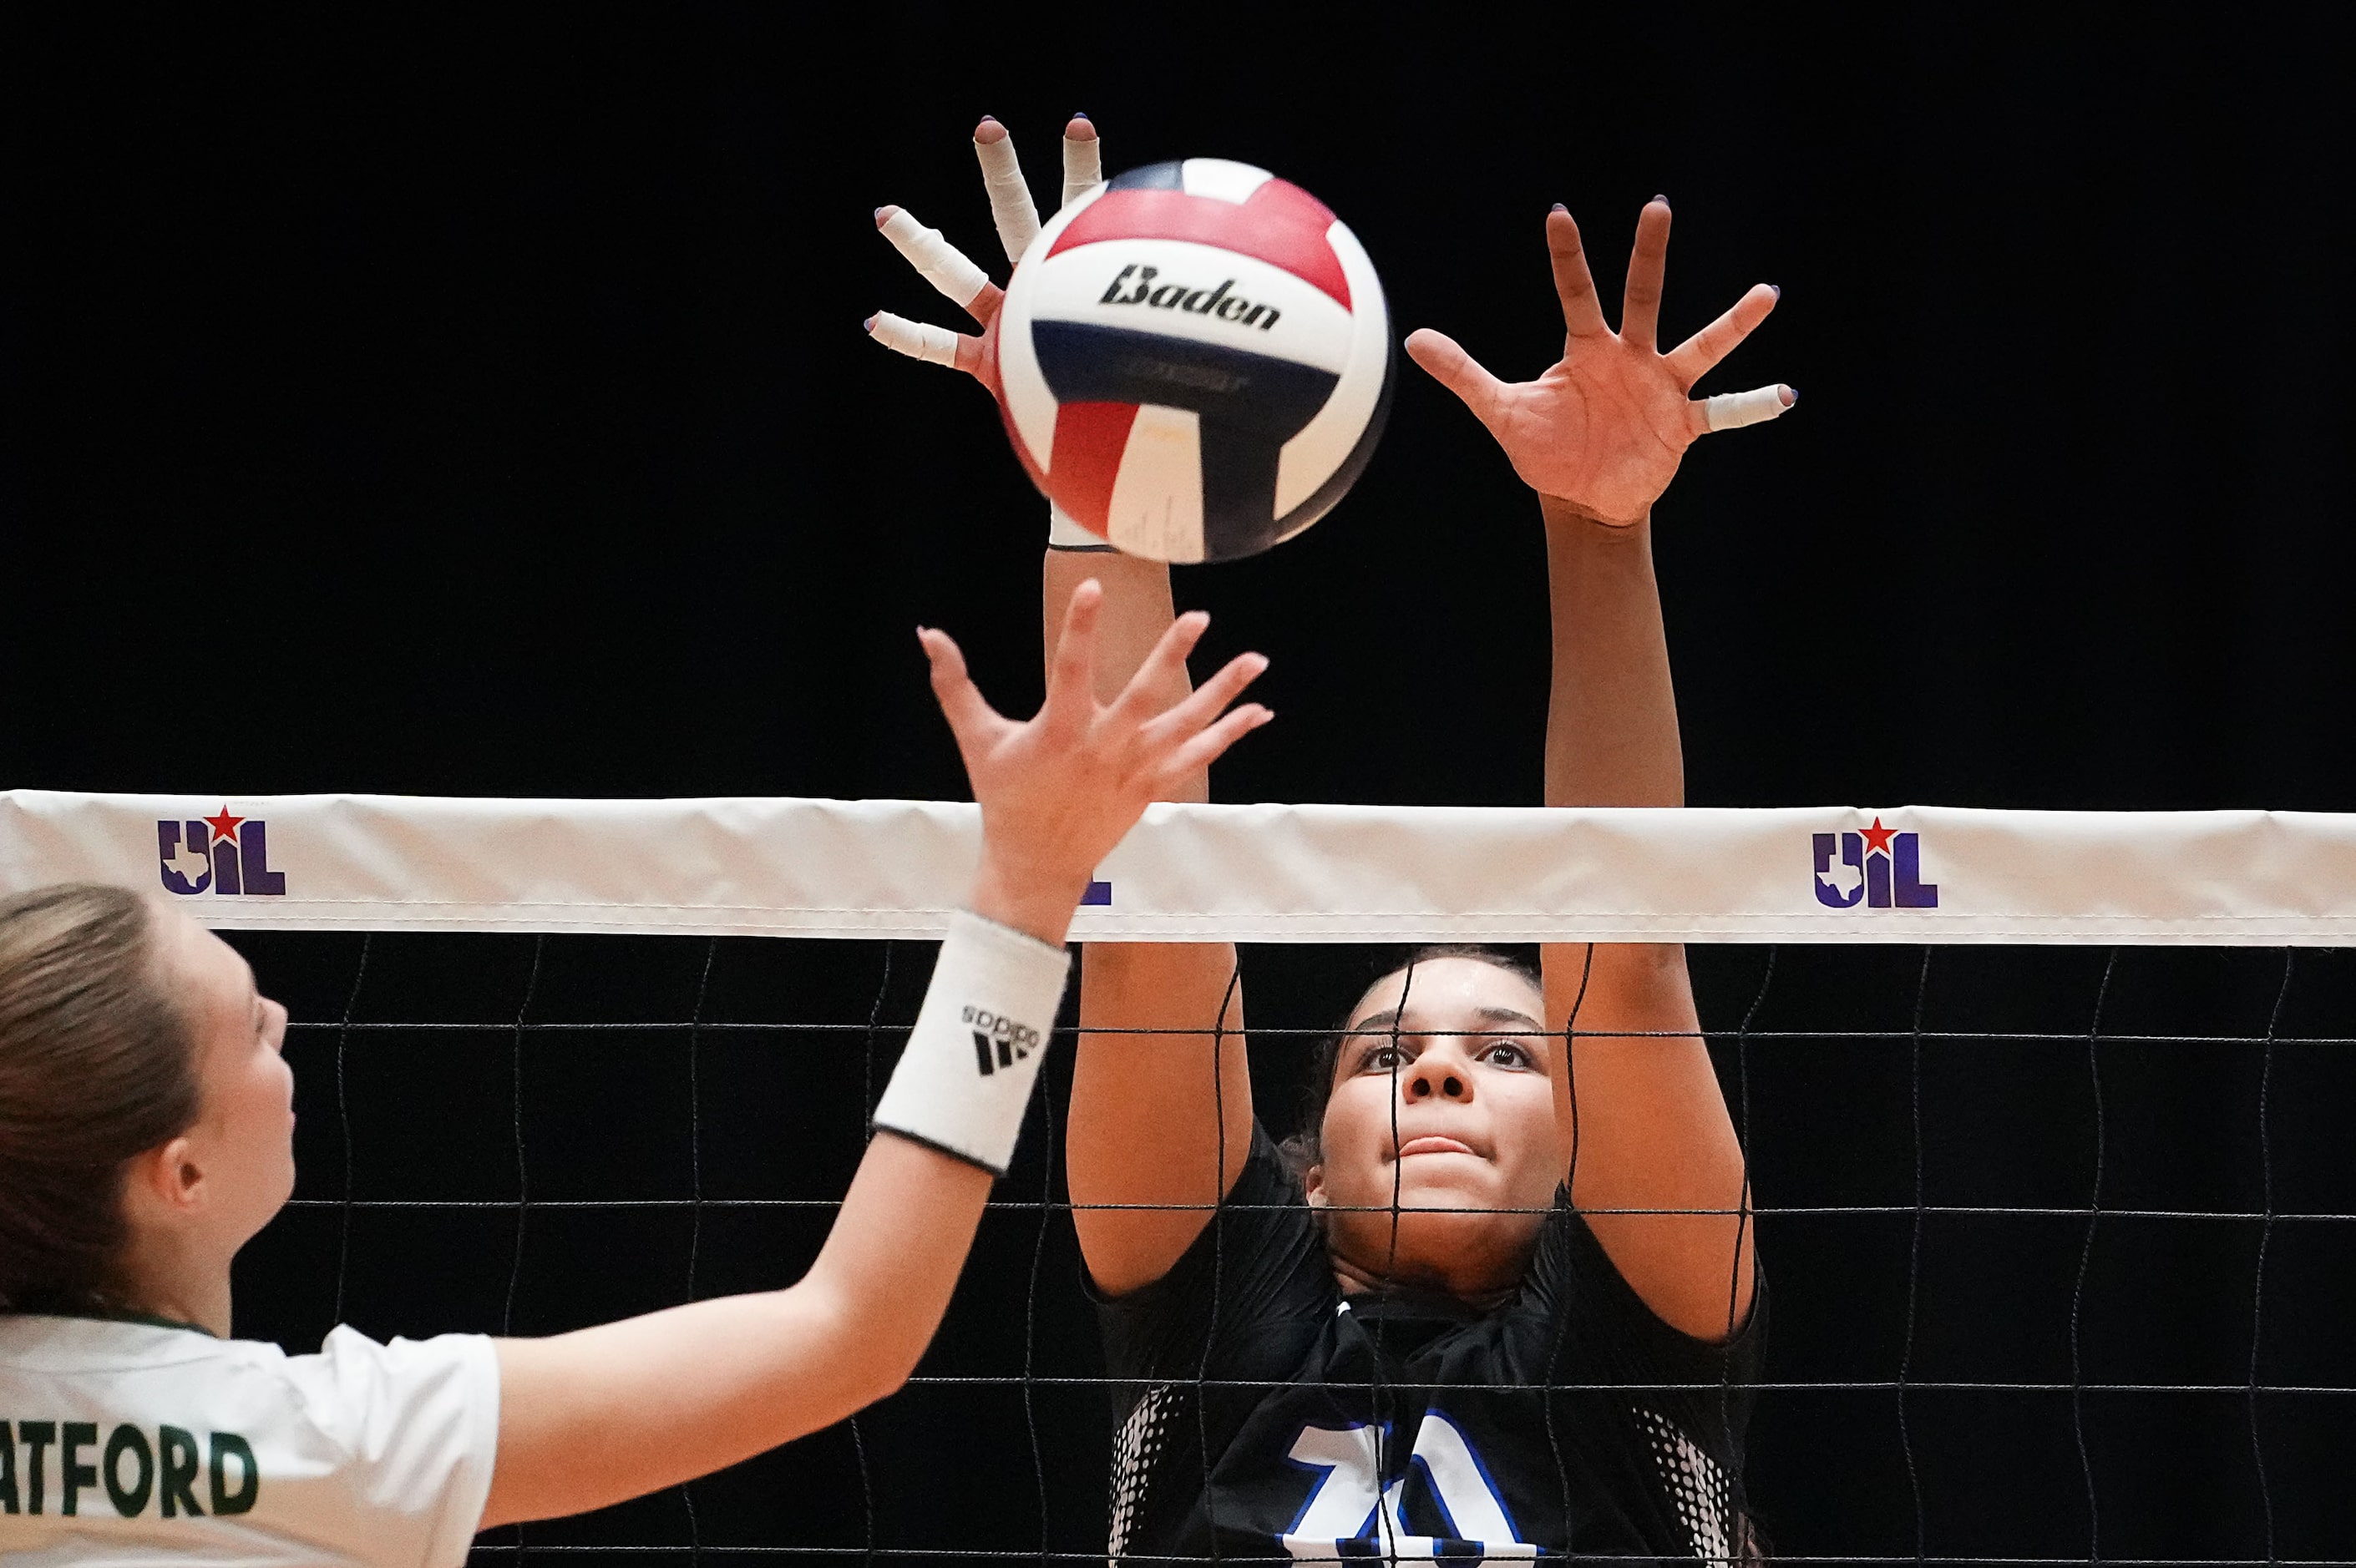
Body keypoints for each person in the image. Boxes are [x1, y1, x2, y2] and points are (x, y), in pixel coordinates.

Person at [867, 115, 1791, 1563]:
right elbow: (1151, 915)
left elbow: (1620, 954)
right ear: (1305, 1172)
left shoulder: (1638, 1347)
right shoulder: (1218, 1305)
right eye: (1383, 1056)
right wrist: (1096, 453)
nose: (1433, 1064)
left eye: (1505, 1051)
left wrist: (1596, 531)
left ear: (1580, 1159)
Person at [0, 587, 1271, 1561]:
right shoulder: (342, 1438)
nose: (286, 1019)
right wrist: (1023, 899)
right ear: (181, 1171)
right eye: (254, 1031)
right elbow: (845, 1333)